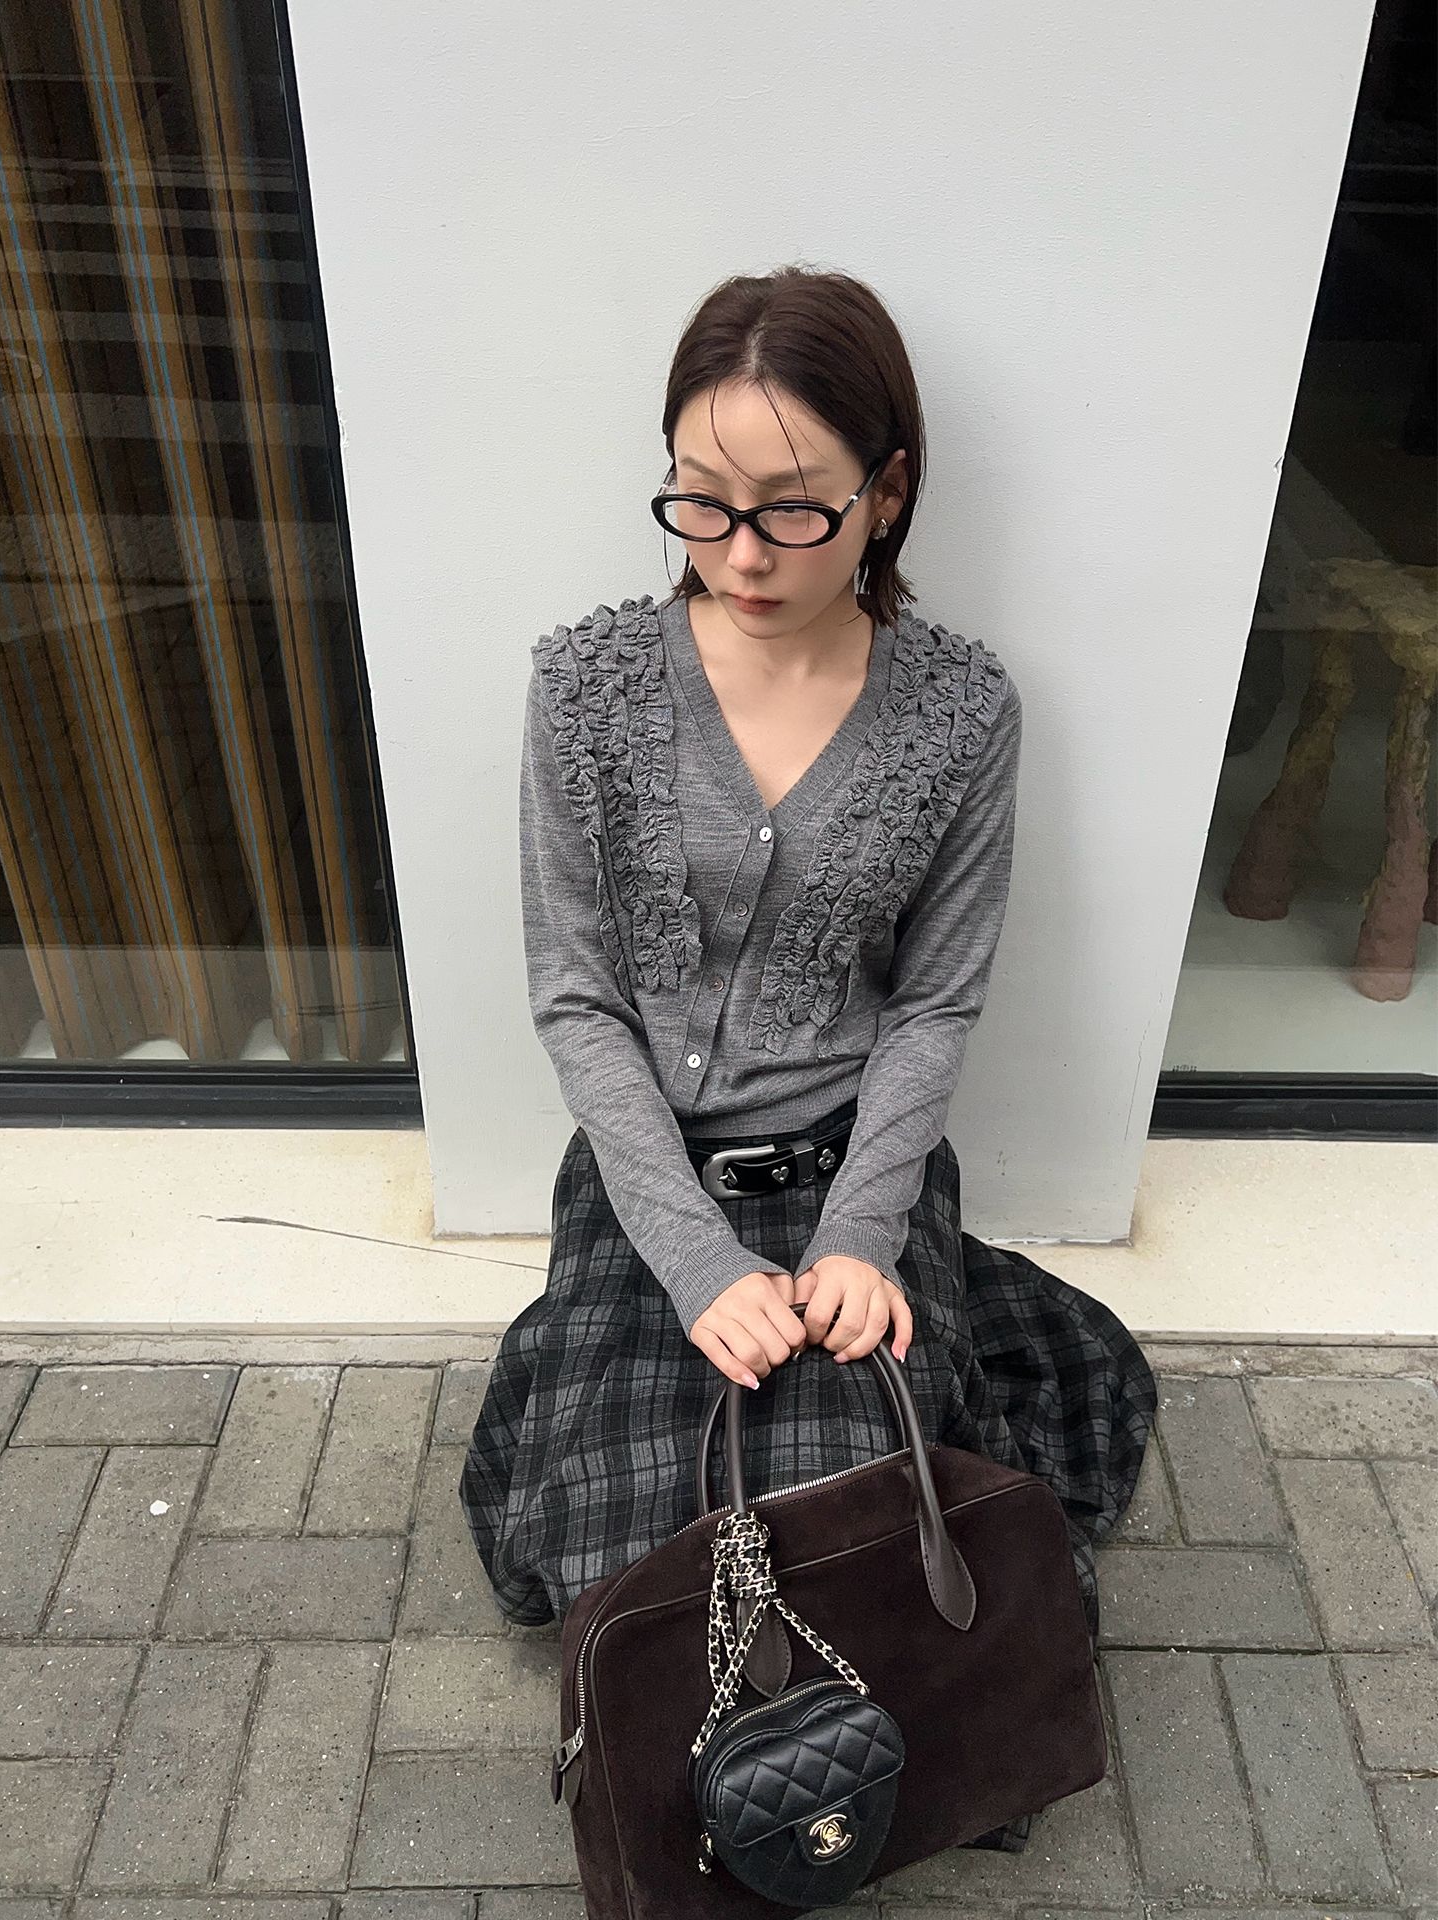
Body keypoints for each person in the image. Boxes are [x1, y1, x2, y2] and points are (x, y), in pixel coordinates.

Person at [461, 264, 1156, 1852]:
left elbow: (936, 1003)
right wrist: (700, 1263)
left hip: (859, 1162)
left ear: (886, 492)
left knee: (865, 1505)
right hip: (653, 1179)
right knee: (632, 1539)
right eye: (700, 503)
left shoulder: (961, 712)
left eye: (792, 508)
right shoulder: (586, 689)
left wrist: (856, 1235)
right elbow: (578, 1001)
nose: (742, 555)